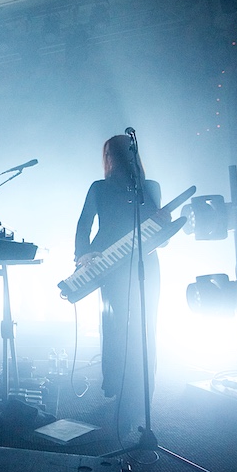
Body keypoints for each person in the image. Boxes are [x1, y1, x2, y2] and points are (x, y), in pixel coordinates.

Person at [73, 134, 162, 434]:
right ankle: (118, 386)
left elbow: (158, 225)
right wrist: (83, 255)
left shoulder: (149, 188)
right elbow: (83, 224)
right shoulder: (99, 188)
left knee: (144, 326)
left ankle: (141, 391)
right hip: (108, 266)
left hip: (142, 264)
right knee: (116, 327)